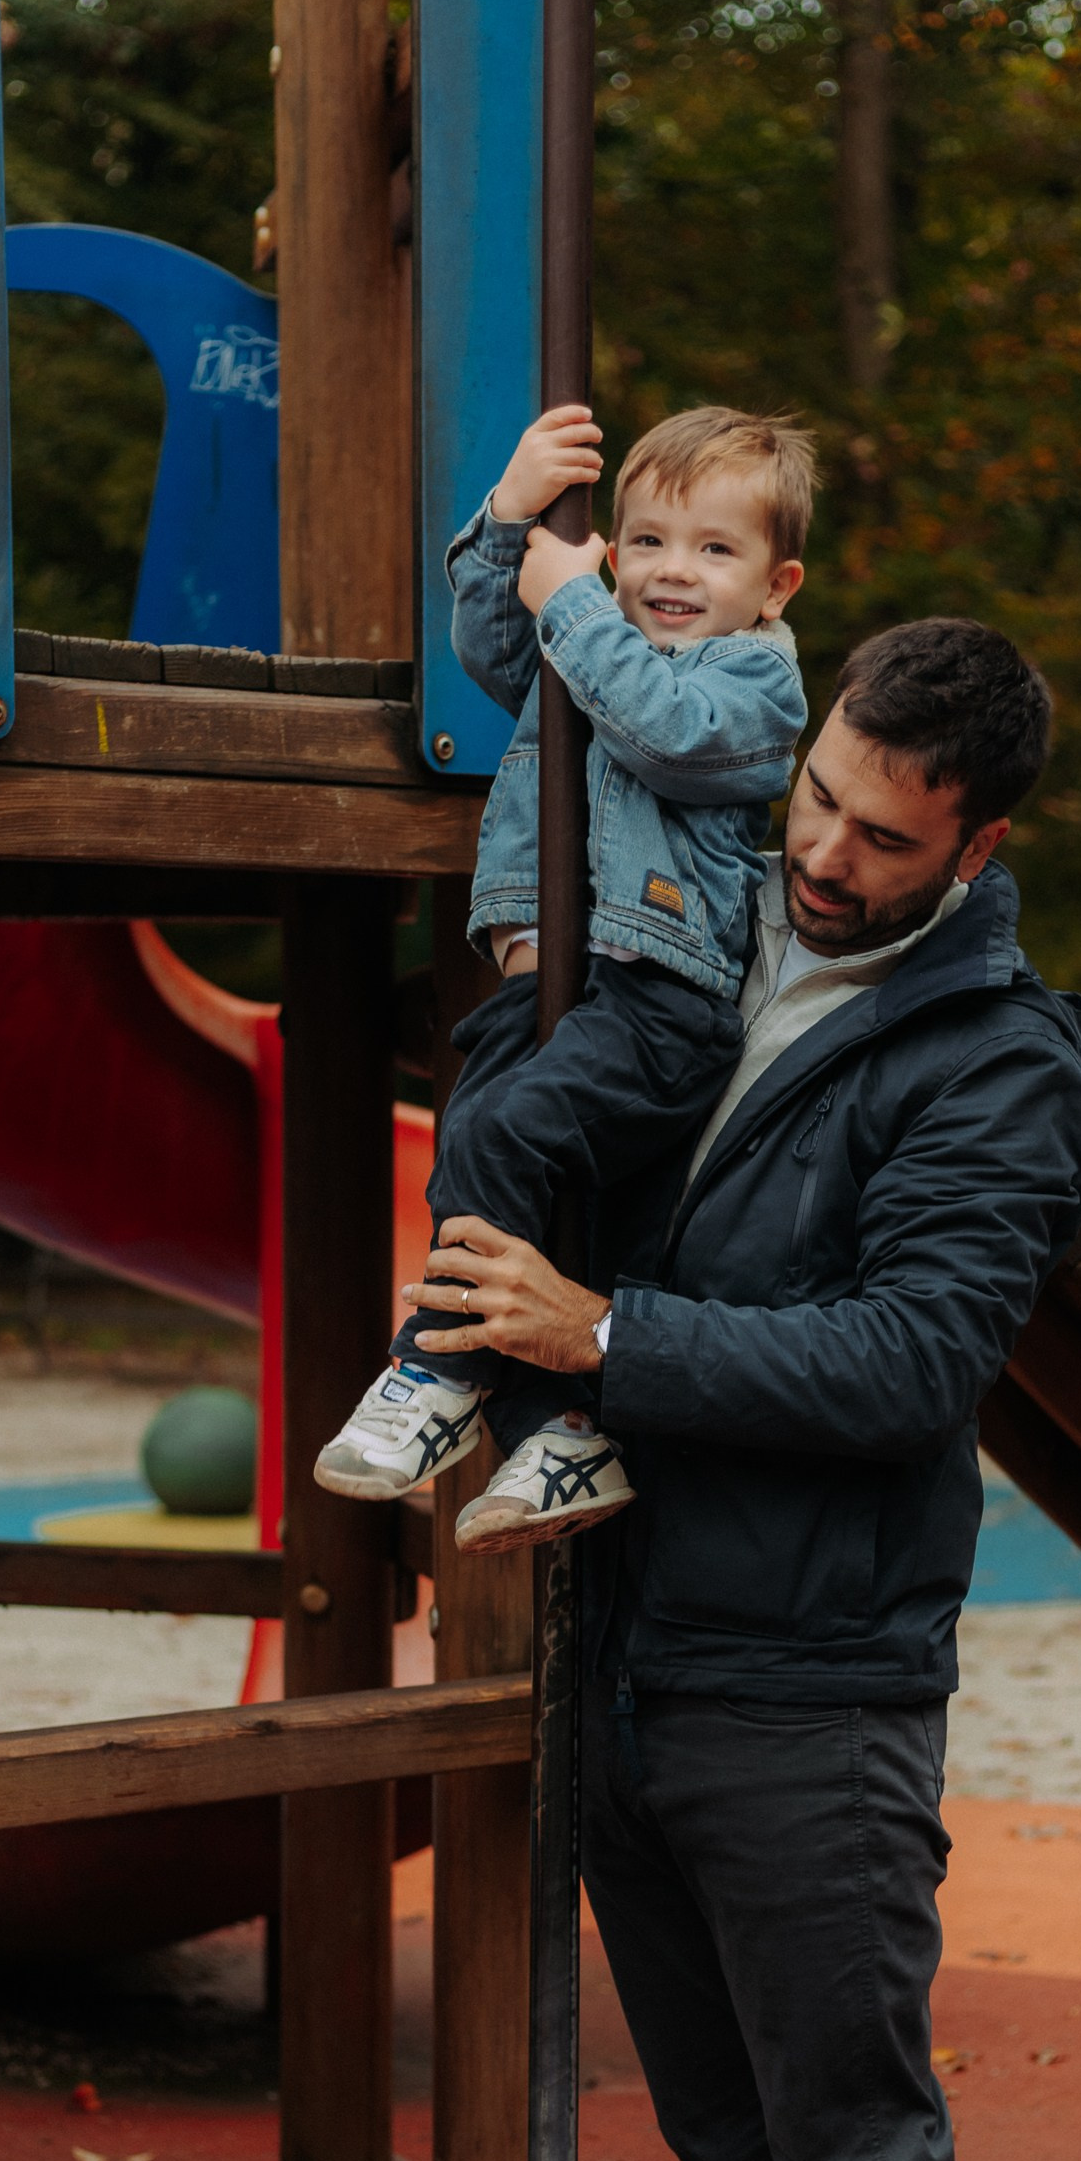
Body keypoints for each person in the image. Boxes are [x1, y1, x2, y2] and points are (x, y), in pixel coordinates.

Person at [400, 615, 1081, 2161]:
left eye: (877, 838)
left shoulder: (997, 1066)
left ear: (972, 845)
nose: (819, 850)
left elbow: (907, 1363)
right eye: (811, 795)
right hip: (630, 1654)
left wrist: (602, 1334)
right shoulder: (703, 935)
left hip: (808, 1695)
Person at [314, 401, 813, 1550]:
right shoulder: (586, 642)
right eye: (643, 541)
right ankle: (563, 1424)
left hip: (652, 1000)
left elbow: (664, 732)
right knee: (482, 1161)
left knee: (498, 1146)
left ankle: (433, 1369)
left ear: (775, 584)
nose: (669, 571)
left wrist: (578, 601)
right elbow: (498, 643)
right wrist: (509, 515)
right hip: (540, 992)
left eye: (712, 548)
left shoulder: (751, 682)